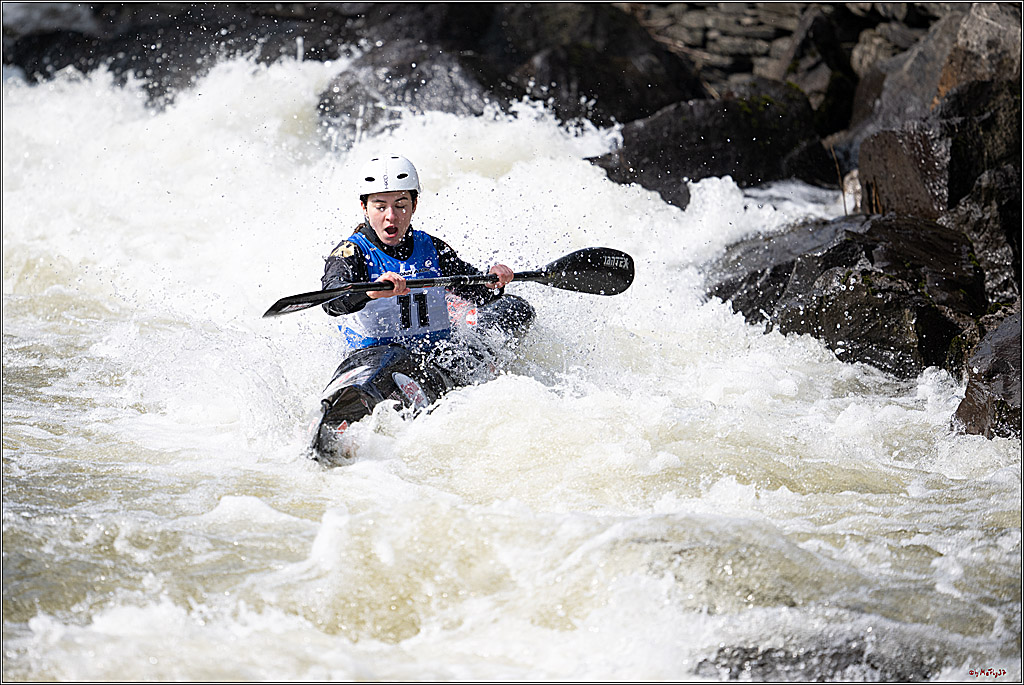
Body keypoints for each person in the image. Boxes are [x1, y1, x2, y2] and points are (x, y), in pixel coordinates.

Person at [321, 153, 520, 383]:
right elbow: (331, 301)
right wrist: (371, 291)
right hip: (374, 360)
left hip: (438, 355)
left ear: (414, 205)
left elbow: (477, 292)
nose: (391, 217)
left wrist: (492, 281)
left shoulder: (433, 248)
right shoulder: (350, 253)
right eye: (380, 207)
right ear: (364, 208)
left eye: (400, 205)